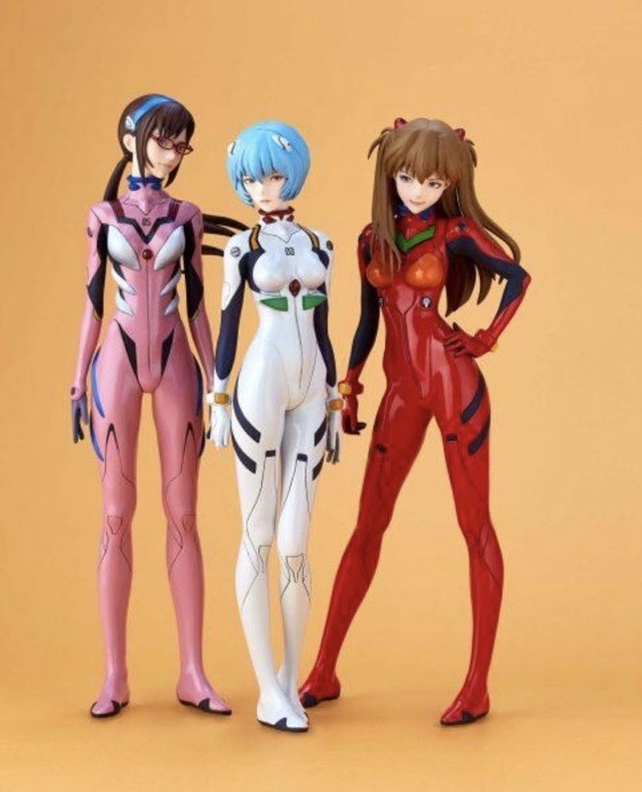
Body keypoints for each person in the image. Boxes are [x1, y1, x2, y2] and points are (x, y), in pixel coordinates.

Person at [299, 117, 531, 726]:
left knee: (474, 527)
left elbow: (518, 277)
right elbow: (366, 322)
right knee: (367, 525)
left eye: (432, 182)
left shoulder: (456, 233)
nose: (419, 190)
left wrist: (485, 338)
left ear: (450, 183)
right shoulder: (370, 240)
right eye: (407, 177)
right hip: (401, 390)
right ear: (390, 173)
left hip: (455, 388)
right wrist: (350, 384)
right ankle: (324, 669)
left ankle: (477, 686)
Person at [70, 94, 230, 718]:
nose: (173, 153)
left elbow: (197, 305)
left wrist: (218, 381)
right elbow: (92, 303)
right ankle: (115, 675)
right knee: (116, 514)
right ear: (132, 139)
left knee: (183, 514)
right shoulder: (102, 215)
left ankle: (193, 671)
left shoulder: (187, 215)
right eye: (165, 140)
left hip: (176, 363)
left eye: (181, 144)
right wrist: (76, 383)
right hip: (115, 361)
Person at [208, 121, 340, 732]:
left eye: (274, 175)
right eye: (251, 178)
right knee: (257, 532)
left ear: (294, 174)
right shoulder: (241, 249)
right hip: (259, 382)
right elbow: (228, 323)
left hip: (312, 388)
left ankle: (289, 676)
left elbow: (326, 327)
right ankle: (265, 687)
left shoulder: (322, 244)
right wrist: (217, 397)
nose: (263, 188)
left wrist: (334, 401)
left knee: (295, 540)